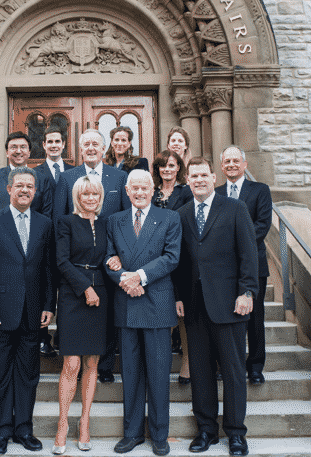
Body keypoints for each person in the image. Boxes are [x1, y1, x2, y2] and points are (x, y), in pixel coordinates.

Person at [176, 157, 258, 456]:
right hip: (195, 307)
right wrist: (178, 296)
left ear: (214, 177)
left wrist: (247, 292)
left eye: (203, 175)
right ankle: (207, 430)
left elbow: (249, 254)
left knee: (234, 371)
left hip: (230, 305)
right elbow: (181, 263)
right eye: (193, 176)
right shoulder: (182, 213)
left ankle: (236, 433)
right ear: (188, 181)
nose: (198, 180)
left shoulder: (235, 209)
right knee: (200, 371)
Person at [0, 167, 55, 455]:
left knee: (28, 374)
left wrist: (49, 305)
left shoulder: (45, 224)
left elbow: (48, 269)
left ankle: (23, 429)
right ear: (8, 189)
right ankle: (1, 431)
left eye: (29, 186)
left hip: (33, 313)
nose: (24, 190)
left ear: (35, 192)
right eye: (19, 185)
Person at [105, 169, 182, 456]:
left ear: (153, 190)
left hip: (157, 304)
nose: (139, 193)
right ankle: (133, 433)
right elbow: (108, 257)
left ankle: (160, 435)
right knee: (131, 373)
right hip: (127, 303)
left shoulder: (169, 218)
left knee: (159, 372)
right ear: (127, 191)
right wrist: (125, 279)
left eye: (144, 188)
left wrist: (138, 276)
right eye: (134, 188)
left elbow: (171, 257)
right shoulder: (114, 221)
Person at [54, 128, 131, 384]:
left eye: (95, 144)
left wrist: (120, 255)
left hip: (108, 260)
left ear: (103, 148)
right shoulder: (67, 178)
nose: (90, 148)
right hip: (76, 259)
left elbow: (124, 221)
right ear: (80, 148)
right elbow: (59, 218)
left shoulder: (119, 178)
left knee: (108, 316)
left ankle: (105, 366)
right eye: (85, 144)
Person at [53, 175, 108, 454]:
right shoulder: (65, 222)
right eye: (85, 194)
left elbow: (111, 255)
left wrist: (115, 260)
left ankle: (84, 422)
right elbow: (61, 260)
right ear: (77, 196)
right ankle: (62, 423)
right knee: (71, 364)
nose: (90, 199)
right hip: (74, 296)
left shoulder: (107, 223)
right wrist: (85, 288)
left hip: (101, 297)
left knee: (92, 363)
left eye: (95, 194)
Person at [216, 145, 273, 385]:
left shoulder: (259, 190)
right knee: (225, 316)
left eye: (235, 161)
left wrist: (237, 244)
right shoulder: (216, 193)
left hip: (254, 265)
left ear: (244, 164)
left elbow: (263, 224)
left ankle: (255, 366)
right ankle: (227, 364)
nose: (231, 164)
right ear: (221, 166)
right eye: (227, 161)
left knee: (254, 317)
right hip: (223, 268)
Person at [151, 150, 193, 384]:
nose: (167, 170)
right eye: (163, 166)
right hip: (156, 259)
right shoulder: (152, 192)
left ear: (179, 168)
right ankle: (159, 365)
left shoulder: (185, 192)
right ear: (157, 169)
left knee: (182, 314)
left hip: (181, 257)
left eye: (171, 165)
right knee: (160, 313)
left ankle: (187, 362)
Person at [34, 127, 75, 357]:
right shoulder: (35, 173)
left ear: (64, 144)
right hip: (43, 240)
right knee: (43, 289)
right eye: (49, 141)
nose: (53, 145)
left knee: (67, 291)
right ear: (43, 144)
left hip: (69, 241)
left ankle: (63, 335)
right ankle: (43, 338)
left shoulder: (74, 171)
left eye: (57, 141)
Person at [0, 131, 52, 218]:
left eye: (23, 147)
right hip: (1, 230)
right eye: (13, 147)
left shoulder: (42, 179)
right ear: (7, 152)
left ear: (29, 152)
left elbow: (46, 213)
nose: (18, 151)